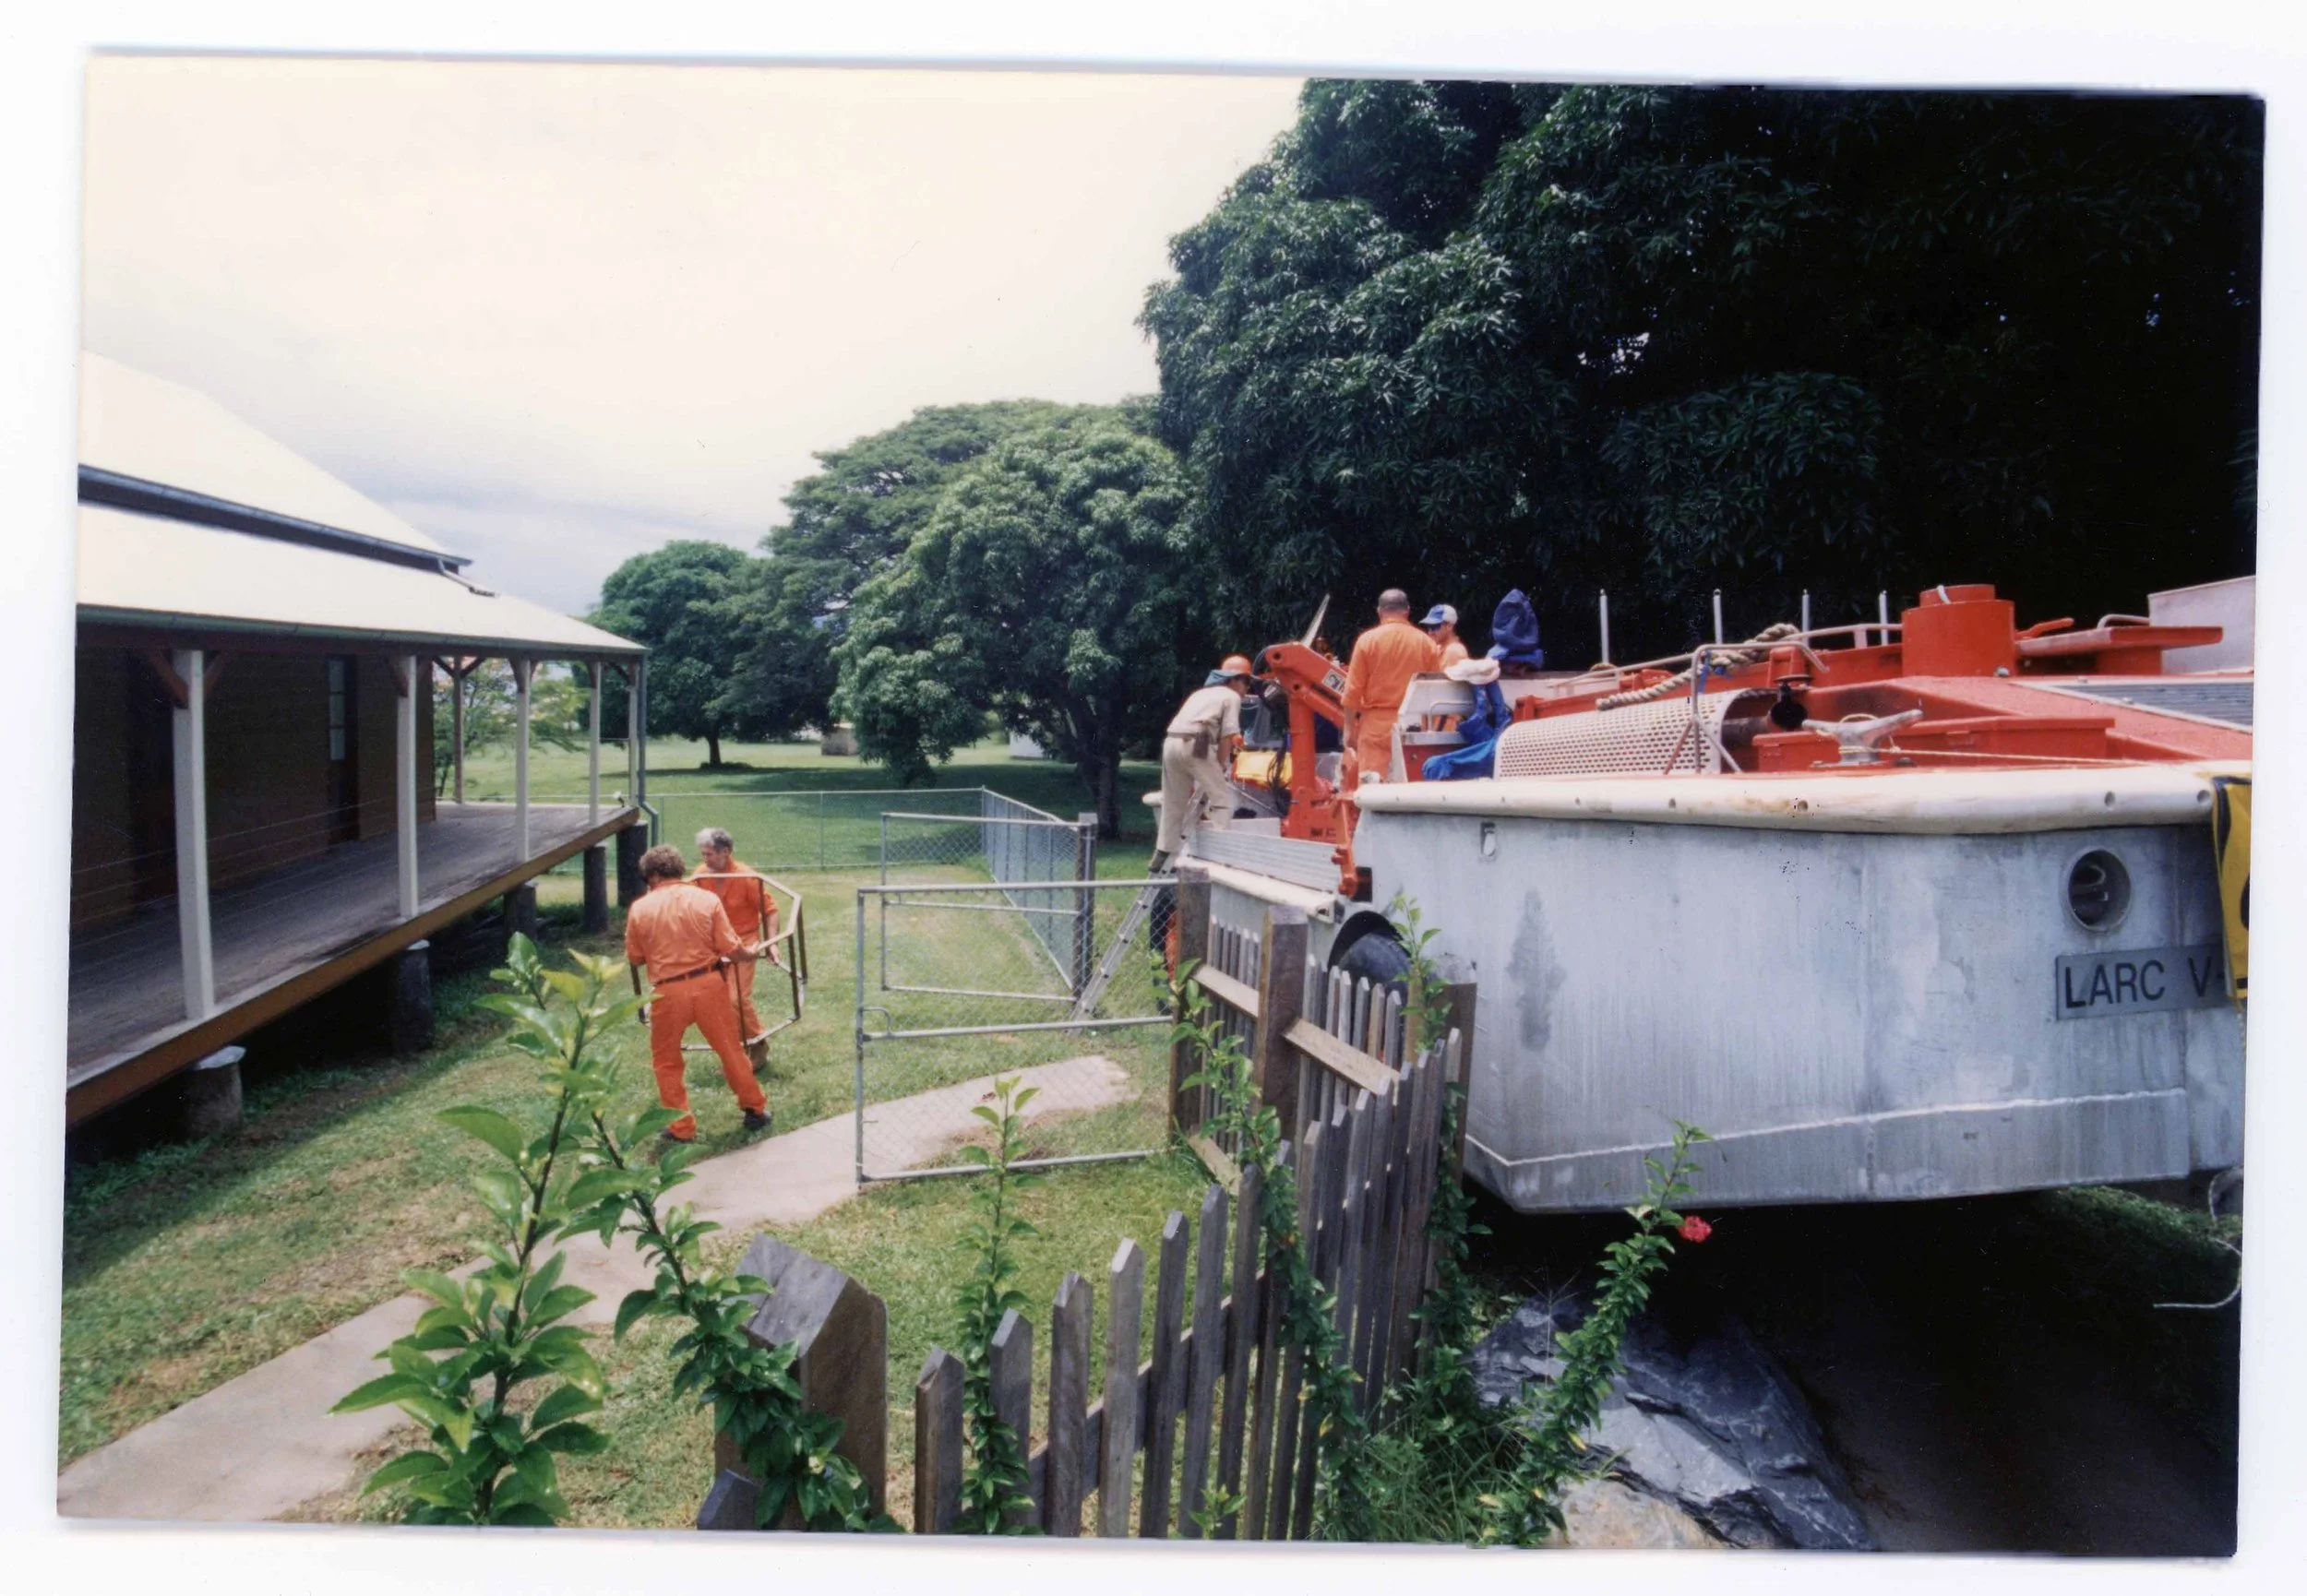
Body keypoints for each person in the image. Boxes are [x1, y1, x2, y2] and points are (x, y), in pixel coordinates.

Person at [625, 843, 771, 1142]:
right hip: (709, 986)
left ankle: (681, 1127)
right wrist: (750, 953)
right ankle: (755, 1110)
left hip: (667, 992)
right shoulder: (706, 899)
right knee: (731, 1050)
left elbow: (635, 957)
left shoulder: (640, 909)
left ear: (651, 876)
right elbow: (731, 948)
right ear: (679, 869)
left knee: (666, 1061)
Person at [1153, 654, 1256, 871]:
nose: (1247, 687)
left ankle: (1163, 851)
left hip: (1171, 743)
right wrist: (1222, 764)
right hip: (1196, 744)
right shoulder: (1231, 697)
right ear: (1233, 679)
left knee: (1173, 801)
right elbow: (1228, 735)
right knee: (1220, 797)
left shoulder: (1200, 693)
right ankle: (1224, 853)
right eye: (1246, 681)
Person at [692, 827, 780, 1074]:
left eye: (709, 854)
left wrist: (772, 943)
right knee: (715, 1002)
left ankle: (758, 1044)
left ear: (726, 851)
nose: (705, 860)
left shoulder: (746, 877)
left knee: (736, 997)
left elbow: (770, 910)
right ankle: (737, 1052)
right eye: (703, 854)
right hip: (713, 945)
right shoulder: (700, 875)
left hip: (743, 943)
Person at [1343, 589, 1441, 784]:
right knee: (1413, 787)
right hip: (1413, 726)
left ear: (1379, 611)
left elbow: (1353, 691)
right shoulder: (1426, 643)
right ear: (1407, 611)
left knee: (1374, 790)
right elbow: (1435, 691)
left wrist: (1349, 730)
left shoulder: (1367, 641)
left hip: (1375, 727)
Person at [1421, 603, 1471, 668]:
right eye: (1429, 627)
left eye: (1434, 627)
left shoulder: (1454, 651)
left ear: (1449, 626)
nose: (1430, 632)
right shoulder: (1440, 648)